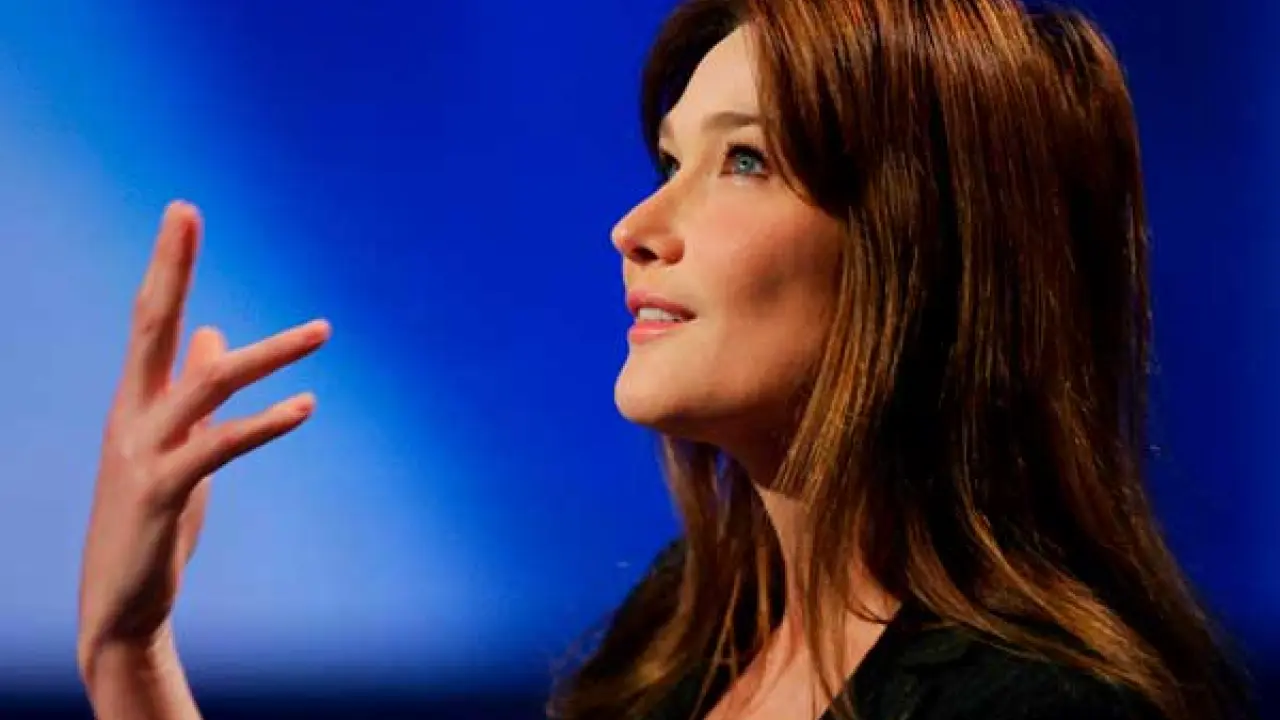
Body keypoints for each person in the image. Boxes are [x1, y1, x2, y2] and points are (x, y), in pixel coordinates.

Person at [77, 0, 1256, 718]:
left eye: (742, 161)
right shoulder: (677, 646)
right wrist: (130, 656)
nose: (634, 226)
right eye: (666, 159)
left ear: (924, 246)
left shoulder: (1045, 710)